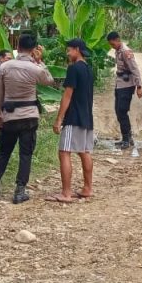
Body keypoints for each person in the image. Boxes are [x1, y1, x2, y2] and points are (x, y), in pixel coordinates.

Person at [0, 34, 55, 204]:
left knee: (4, 152)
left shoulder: (5, 67)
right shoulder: (35, 68)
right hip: (29, 116)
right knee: (26, 154)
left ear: (18, 46)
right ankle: (19, 191)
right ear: (33, 49)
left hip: (9, 116)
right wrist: (40, 61)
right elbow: (49, 81)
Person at [47, 39, 95, 203]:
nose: (67, 53)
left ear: (77, 49)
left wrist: (59, 119)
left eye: (69, 50)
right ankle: (88, 188)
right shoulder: (89, 69)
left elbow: (67, 95)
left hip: (74, 117)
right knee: (84, 151)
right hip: (87, 117)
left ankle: (66, 193)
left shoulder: (74, 69)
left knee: (64, 152)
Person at [107, 32, 142, 150]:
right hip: (120, 84)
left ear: (117, 40)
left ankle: (127, 139)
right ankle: (126, 137)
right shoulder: (118, 51)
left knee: (122, 111)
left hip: (127, 86)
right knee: (118, 111)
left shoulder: (125, 51)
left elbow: (134, 69)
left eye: (112, 44)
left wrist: (139, 86)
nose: (112, 46)